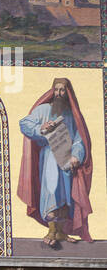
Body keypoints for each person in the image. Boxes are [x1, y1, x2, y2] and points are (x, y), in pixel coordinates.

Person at [18, 77, 92, 250]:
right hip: (50, 157)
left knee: (66, 197)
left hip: (66, 161)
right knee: (51, 192)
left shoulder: (72, 115)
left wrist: (76, 156)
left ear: (68, 93)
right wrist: (42, 128)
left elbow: (79, 139)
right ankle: (51, 230)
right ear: (52, 91)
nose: (59, 94)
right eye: (56, 90)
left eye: (62, 90)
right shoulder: (44, 109)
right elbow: (24, 124)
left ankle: (60, 232)